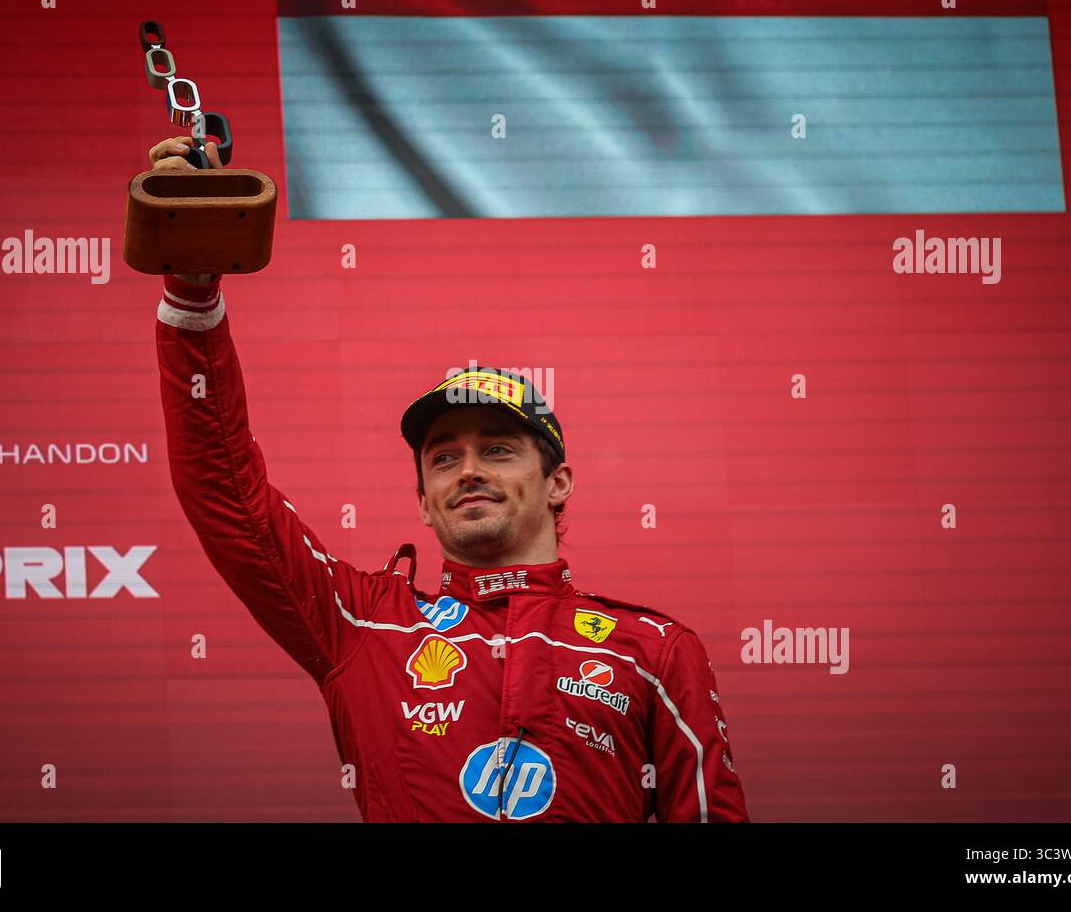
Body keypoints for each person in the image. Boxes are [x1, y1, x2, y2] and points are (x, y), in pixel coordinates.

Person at [149, 136, 750, 822]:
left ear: (559, 483)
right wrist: (192, 298)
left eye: (496, 450)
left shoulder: (655, 650)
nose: (467, 470)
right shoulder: (364, 624)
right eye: (442, 458)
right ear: (423, 504)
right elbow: (226, 493)